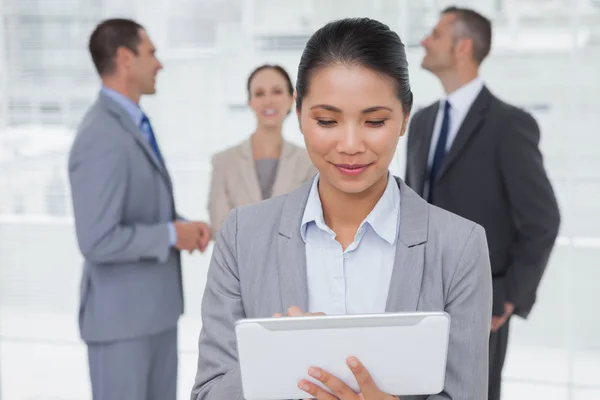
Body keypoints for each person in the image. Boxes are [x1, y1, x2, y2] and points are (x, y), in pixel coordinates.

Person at [191, 17, 492, 400]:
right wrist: (279, 363)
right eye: (327, 120)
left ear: (404, 117)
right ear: (298, 112)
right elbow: (207, 393)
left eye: (375, 121)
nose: (350, 145)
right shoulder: (242, 235)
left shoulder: (459, 246)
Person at [404, 6, 561, 400]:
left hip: (480, 302)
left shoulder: (508, 124)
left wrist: (507, 295)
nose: (424, 41)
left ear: (462, 47)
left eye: (435, 34)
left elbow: (543, 220)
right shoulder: (421, 122)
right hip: (418, 302)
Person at [68, 18, 211, 400]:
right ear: (125, 59)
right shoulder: (101, 134)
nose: (159, 64)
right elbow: (96, 239)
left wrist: (181, 227)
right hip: (121, 326)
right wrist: (169, 235)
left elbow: (140, 210)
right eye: (152, 53)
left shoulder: (133, 123)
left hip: (154, 317)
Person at [208, 64, 316, 232]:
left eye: (277, 91)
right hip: (240, 258)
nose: (268, 100)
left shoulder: (309, 162)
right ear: (250, 102)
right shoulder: (223, 162)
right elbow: (220, 228)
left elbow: (310, 226)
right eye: (259, 93)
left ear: (291, 100)